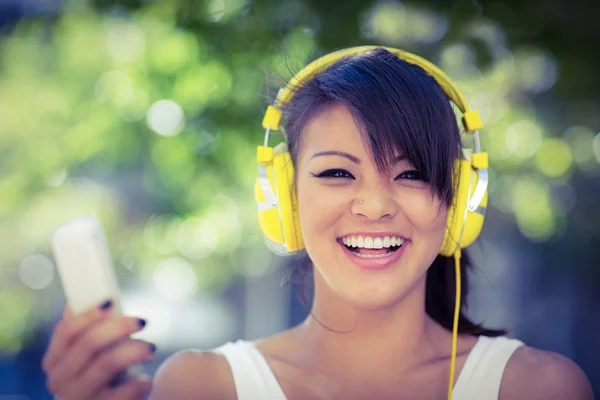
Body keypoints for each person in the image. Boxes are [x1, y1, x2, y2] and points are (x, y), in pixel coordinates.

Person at [42, 47, 594, 400]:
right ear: (284, 198)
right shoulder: (202, 386)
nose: (375, 206)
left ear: (458, 201)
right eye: (337, 172)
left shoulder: (540, 388)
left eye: (411, 175)